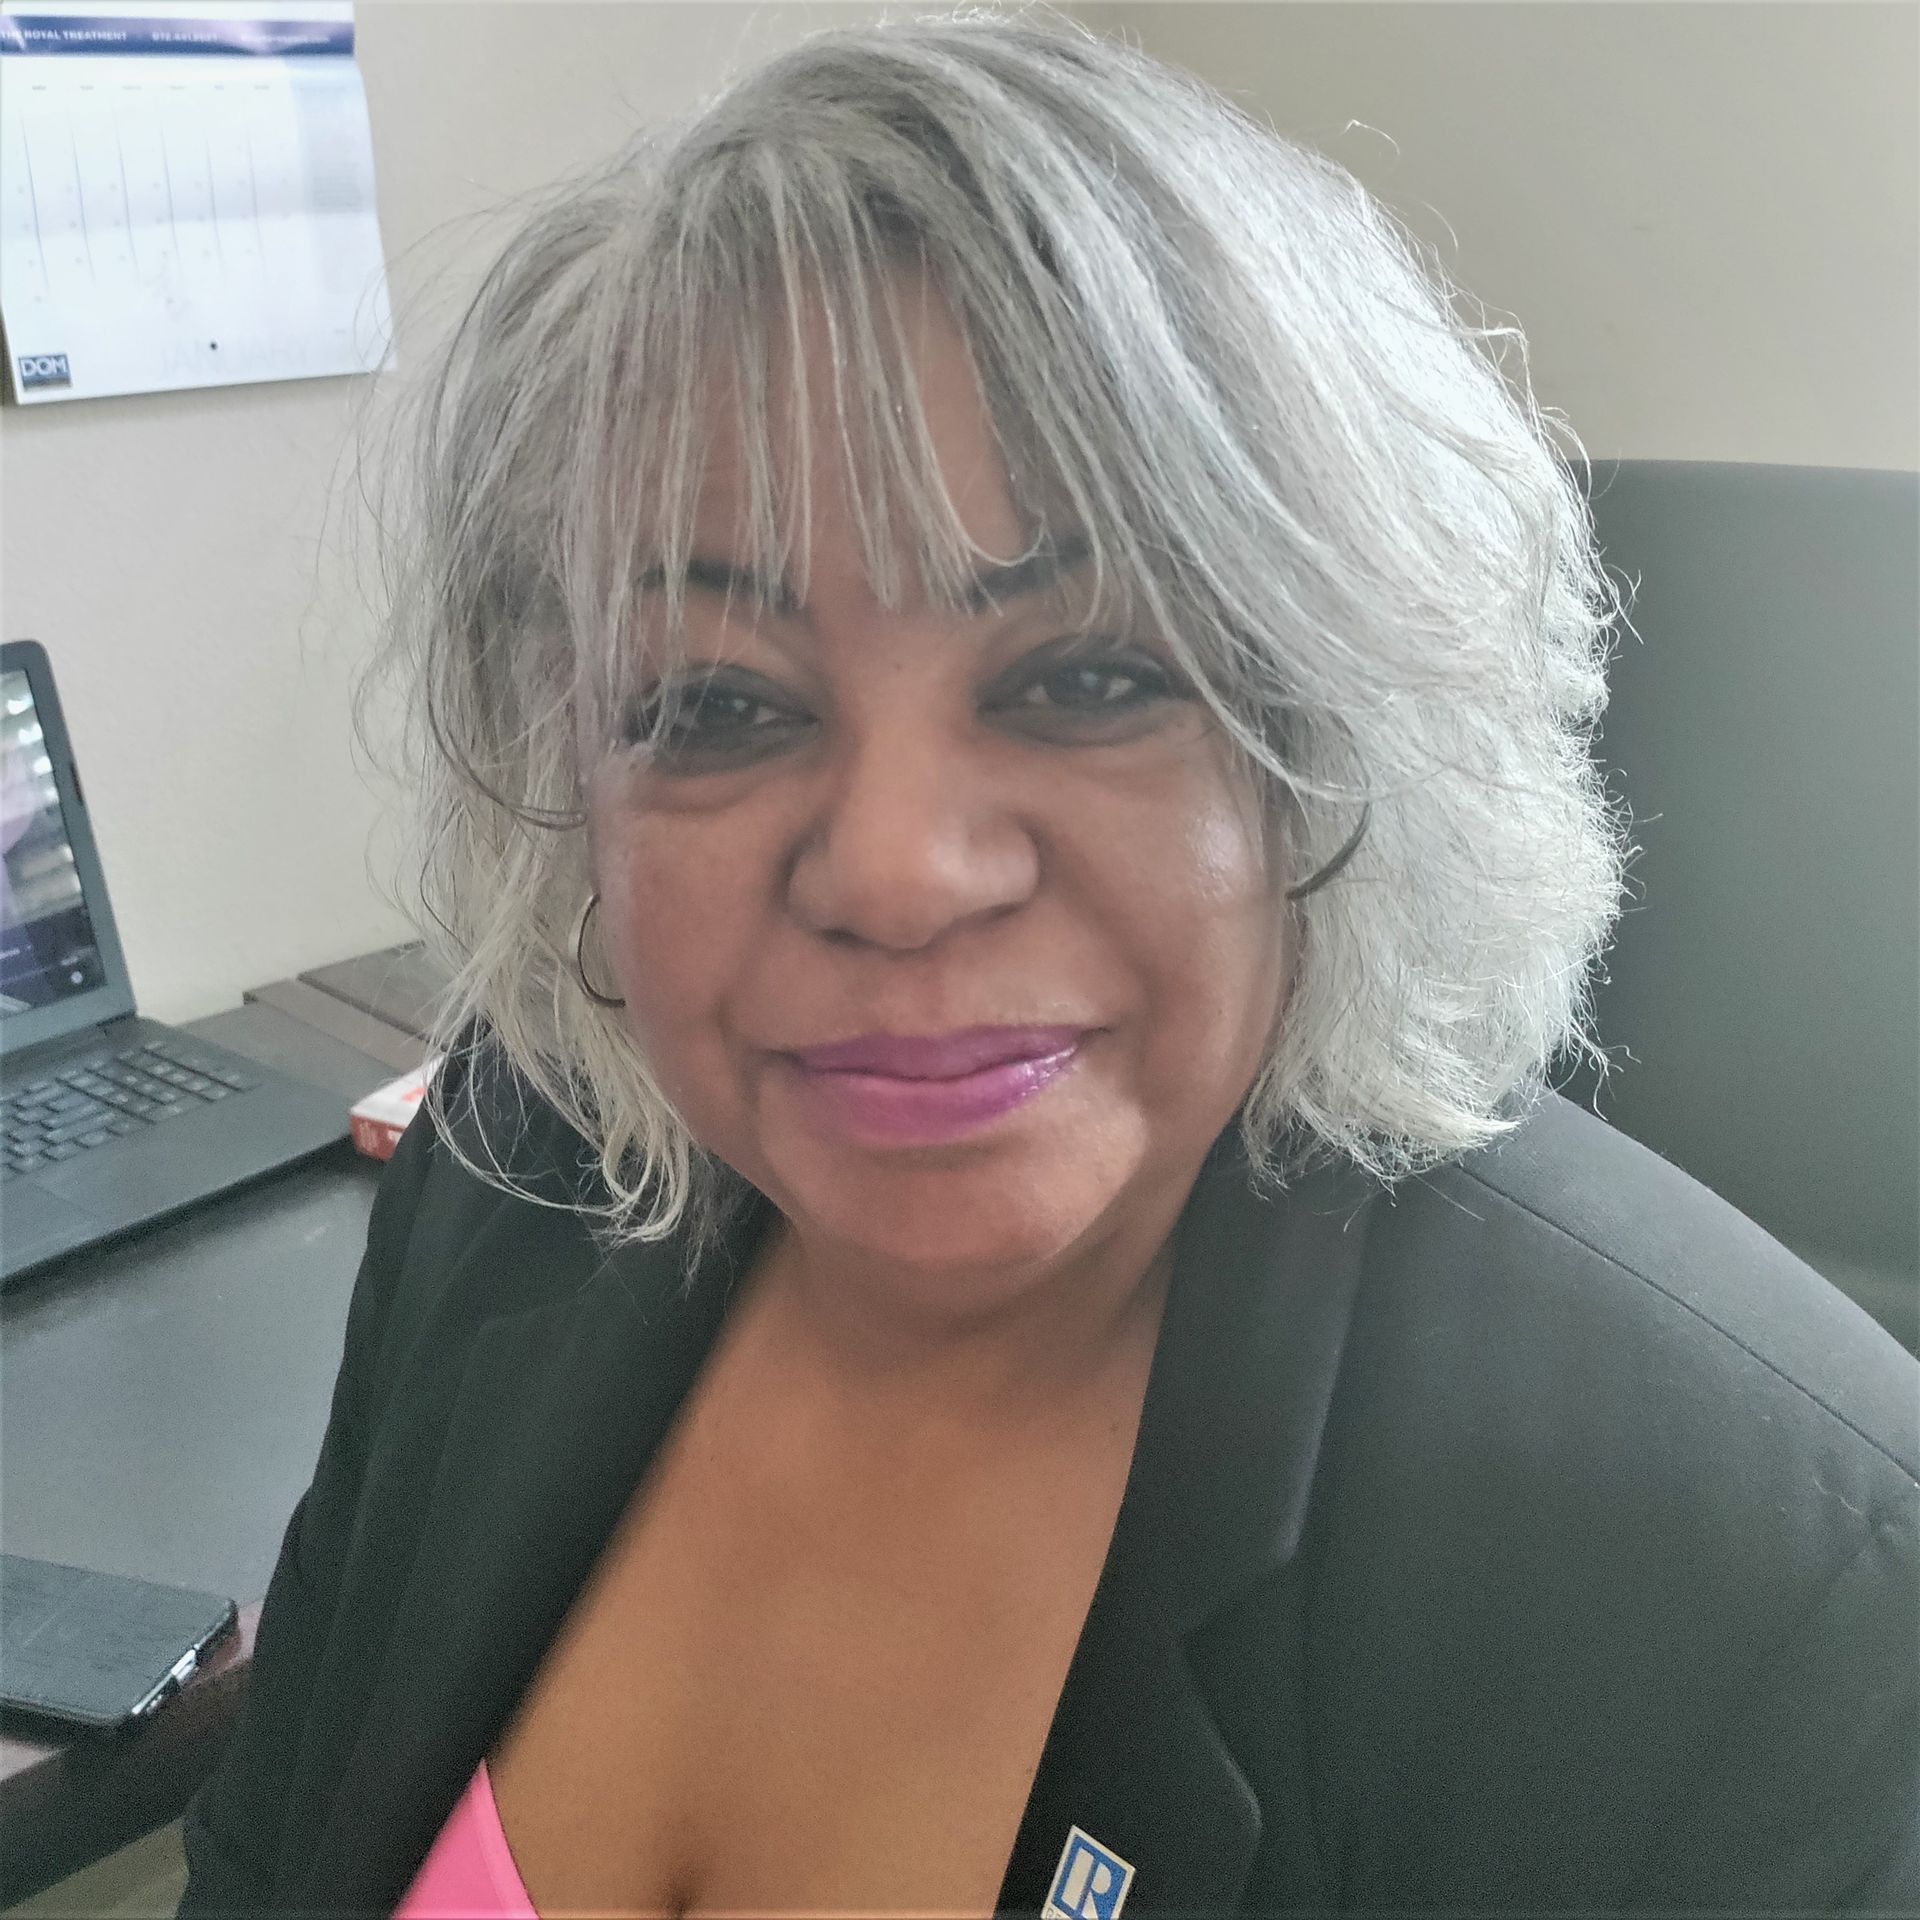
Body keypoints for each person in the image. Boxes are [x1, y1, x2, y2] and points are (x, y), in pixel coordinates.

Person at [177, 8, 1917, 1916]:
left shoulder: (1773, 1599)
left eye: (1087, 678)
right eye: (715, 705)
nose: (902, 875)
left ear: (1335, 738)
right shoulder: (514, 1175)